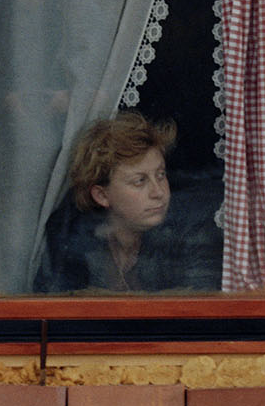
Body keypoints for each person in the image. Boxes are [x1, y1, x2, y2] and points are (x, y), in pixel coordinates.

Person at [32, 113, 218, 294]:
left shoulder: (190, 235)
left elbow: (194, 313)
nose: (158, 192)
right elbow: (58, 311)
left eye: (161, 175)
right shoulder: (74, 240)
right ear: (102, 195)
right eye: (140, 181)